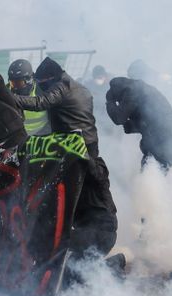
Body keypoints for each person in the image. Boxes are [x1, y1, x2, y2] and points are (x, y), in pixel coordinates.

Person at [14, 57, 118, 260]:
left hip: (76, 148)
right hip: (85, 144)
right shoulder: (78, 87)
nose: (41, 86)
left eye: (42, 82)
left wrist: (11, 98)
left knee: (70, 193)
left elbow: (40, 103)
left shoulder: (63, 86)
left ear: (49, 78)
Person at [105, 77, 172, 170]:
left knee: (151, 176)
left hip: (162, 143)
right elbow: (150, 119)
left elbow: (118, 119)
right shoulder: (140, 89)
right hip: (168, 141)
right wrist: (131, 126)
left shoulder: (131, 92)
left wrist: (110, 102)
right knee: (154, 175)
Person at [7, 59, 51, 135]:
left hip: (41, 133)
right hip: (18, 135)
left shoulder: (43, 90)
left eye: (19, 83)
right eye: (13, 83)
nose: (15, 88)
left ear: (29, 80)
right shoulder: (6, 91)